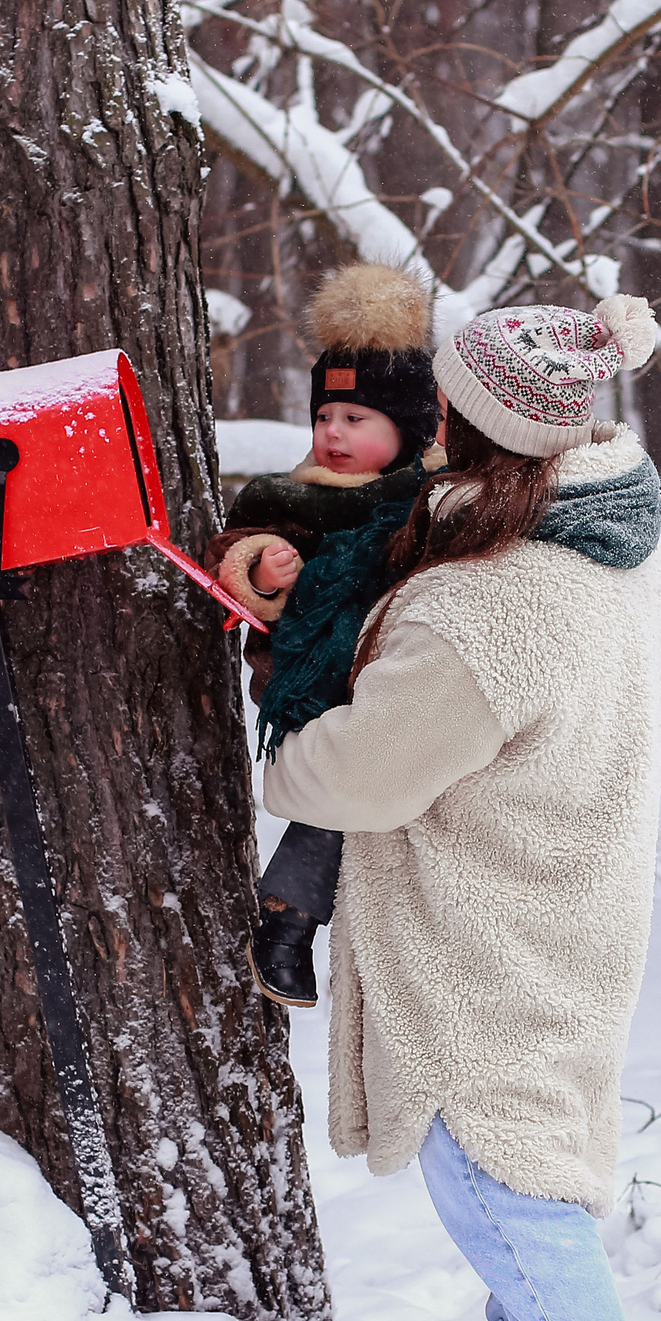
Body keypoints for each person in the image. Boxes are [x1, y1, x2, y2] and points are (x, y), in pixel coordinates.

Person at [261, 296, 661, 1321]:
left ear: (481, 431)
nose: (419, 420)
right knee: (535, 1164)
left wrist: (290, 708)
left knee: (504, 1187)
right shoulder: (607, 507)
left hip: (493, 925)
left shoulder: (497, 609)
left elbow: (354, 771)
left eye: (439, 405)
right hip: (562, 882)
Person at [205, 263, 444, 1008]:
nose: (333, 434)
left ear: (404, 427)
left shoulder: (435, 497)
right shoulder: (290, 496)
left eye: (355, 419)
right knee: (348, 785)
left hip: (404, 678)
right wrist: (266, 573)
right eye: (324, 417)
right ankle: (288, 917)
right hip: (312, 684)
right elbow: (232, 555)